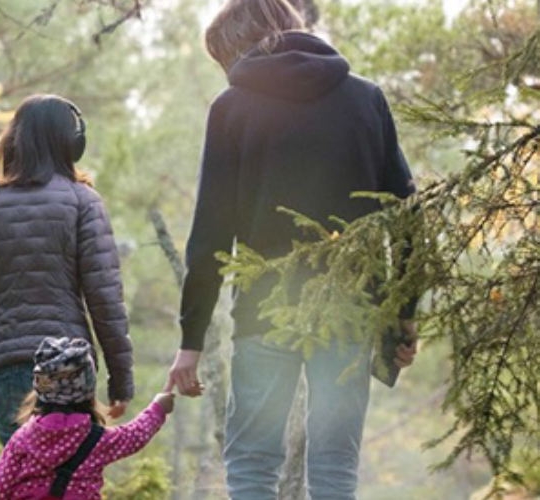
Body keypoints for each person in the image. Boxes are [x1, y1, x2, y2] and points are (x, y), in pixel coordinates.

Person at [165, 1, 419, 499]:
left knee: (253, 464)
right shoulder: (365, 99)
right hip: (350, 313)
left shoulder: (232, 108)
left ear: (240, 44)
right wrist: (403, 314)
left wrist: (190, 339)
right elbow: (408, 214)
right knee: (335, 465)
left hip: (264, 313)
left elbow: (210, 233)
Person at [0, 95, 133, 444]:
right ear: (71, 143)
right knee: (70, 481)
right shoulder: (83, 202)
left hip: (5, 369)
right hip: (69, 367)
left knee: (21, 483)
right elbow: (105, 297)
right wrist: (120, 378)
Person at [0, 337, 174, 500]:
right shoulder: (97, 439)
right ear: (87, 386)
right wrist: (158, 408)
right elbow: (135, 436)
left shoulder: (22, 439)